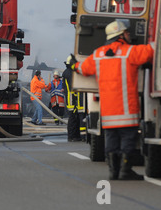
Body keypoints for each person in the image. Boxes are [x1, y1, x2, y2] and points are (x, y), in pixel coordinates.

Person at [66, 20, 154, 180]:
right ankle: (125, 170)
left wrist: (72, 65)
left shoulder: (98, 54)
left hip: (107, 112)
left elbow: (83, 69)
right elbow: (150, 51)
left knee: (111, 141)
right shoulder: (130, 52)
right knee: (128, 141)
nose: (129, 35)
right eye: (127, 32)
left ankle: (113, 172)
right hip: (127, 110)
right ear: (120, 36)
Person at [62, 63, 85, 142]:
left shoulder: (66, 72)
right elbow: (73, 87)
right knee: (75, 118)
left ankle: (72, 136)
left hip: (70, 99)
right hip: (75, 99)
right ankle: (78, 136)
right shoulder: (71, 73)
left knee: (73, 118)